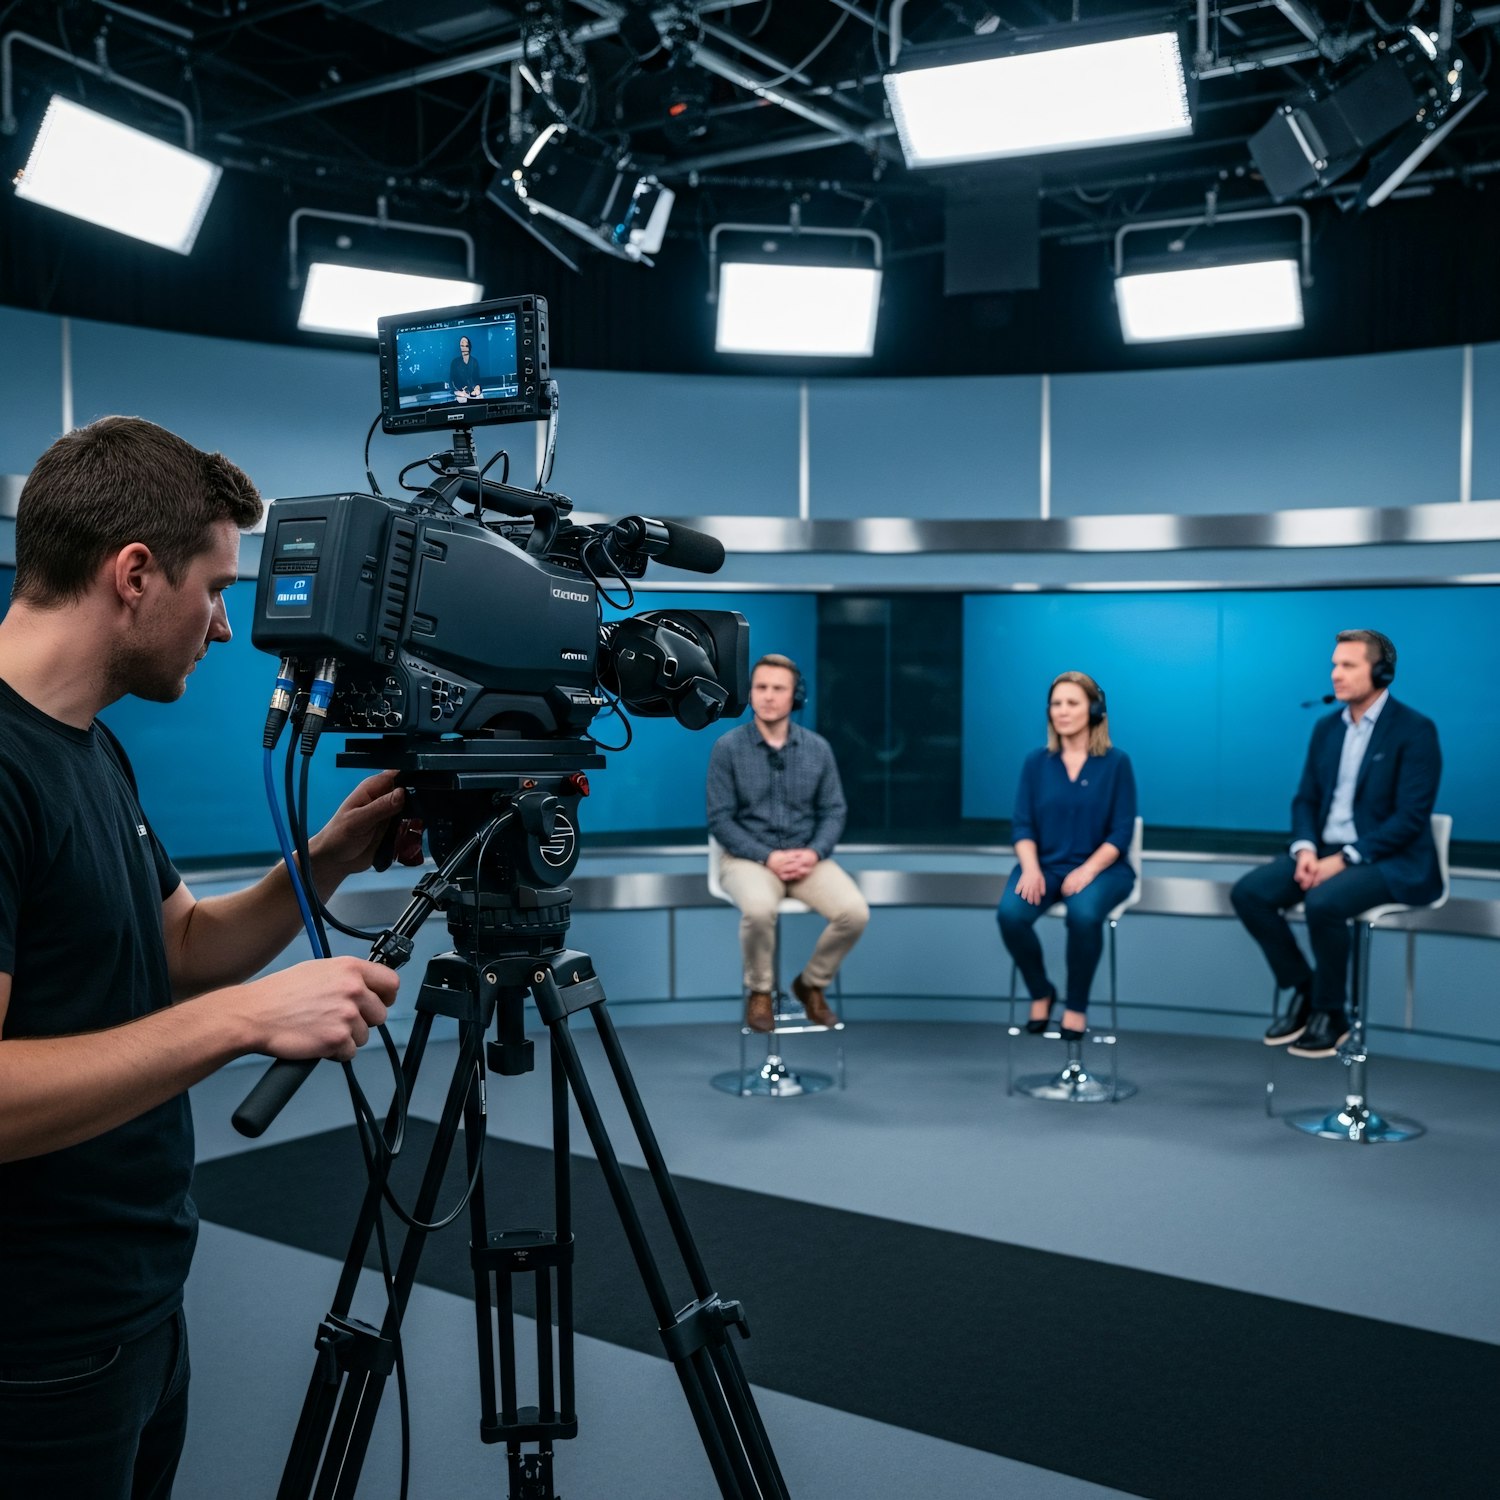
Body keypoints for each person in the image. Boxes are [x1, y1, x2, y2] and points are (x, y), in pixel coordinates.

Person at [0, 416, 412, 1499]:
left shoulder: (88, 742)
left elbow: (179, 945)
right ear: (135, 574)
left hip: (134, 1301)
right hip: (34, 1349)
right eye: (217, 588)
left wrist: (329, 856)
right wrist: (242, 1024)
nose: (227, 628)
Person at [1232, 629, 1442, 1058]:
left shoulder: (1415, 731)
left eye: (1348, 665)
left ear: (1380, 672)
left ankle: (1333, 1012)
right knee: (1249, 893)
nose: (1336, 674)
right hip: (1325, 850)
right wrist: (1306, 849)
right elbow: (1306, 799)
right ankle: (1305, 989)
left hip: (1390, 859)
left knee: (1323, 903)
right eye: (1333, 665)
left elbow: (1410, 818)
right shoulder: (1327, 729)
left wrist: (1345, 859)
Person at [706, 653, 868, 1033]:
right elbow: (720, 819)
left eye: (778, 689)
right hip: (747, 858)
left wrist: (812, 853)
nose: (768, 696)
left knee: (854, 912)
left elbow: (834, 812)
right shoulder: (727, 748)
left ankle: (811, 983)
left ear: (796, 696)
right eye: (760, 687)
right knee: (760, 910)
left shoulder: (818, 749)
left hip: (806, 857)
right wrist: (768, 857)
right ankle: (760, 991)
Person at [997, 671, 1137, 1040]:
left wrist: (1087, 872)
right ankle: (1042, 991)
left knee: (1083, 913)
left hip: (1105, 869)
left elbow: (1121, 832)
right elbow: (1022, 825)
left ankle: (1076, 1006)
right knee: (1010, 914)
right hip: (1046, 865)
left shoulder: (1116, 763)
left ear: (1094, 710)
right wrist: (1029, 869)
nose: (1062, 711)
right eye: (1056, 703)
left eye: (1072, 703)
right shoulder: (1036, 762)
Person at [448, 335, 482, 401]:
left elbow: (477, 379)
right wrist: (458, 392)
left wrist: (477, 388)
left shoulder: (474, 361)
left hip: (474, 394)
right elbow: (451, 381)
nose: (464, 348)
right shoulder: (455, 363)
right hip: (460, 394)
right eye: (462, 346)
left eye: (466, 346)